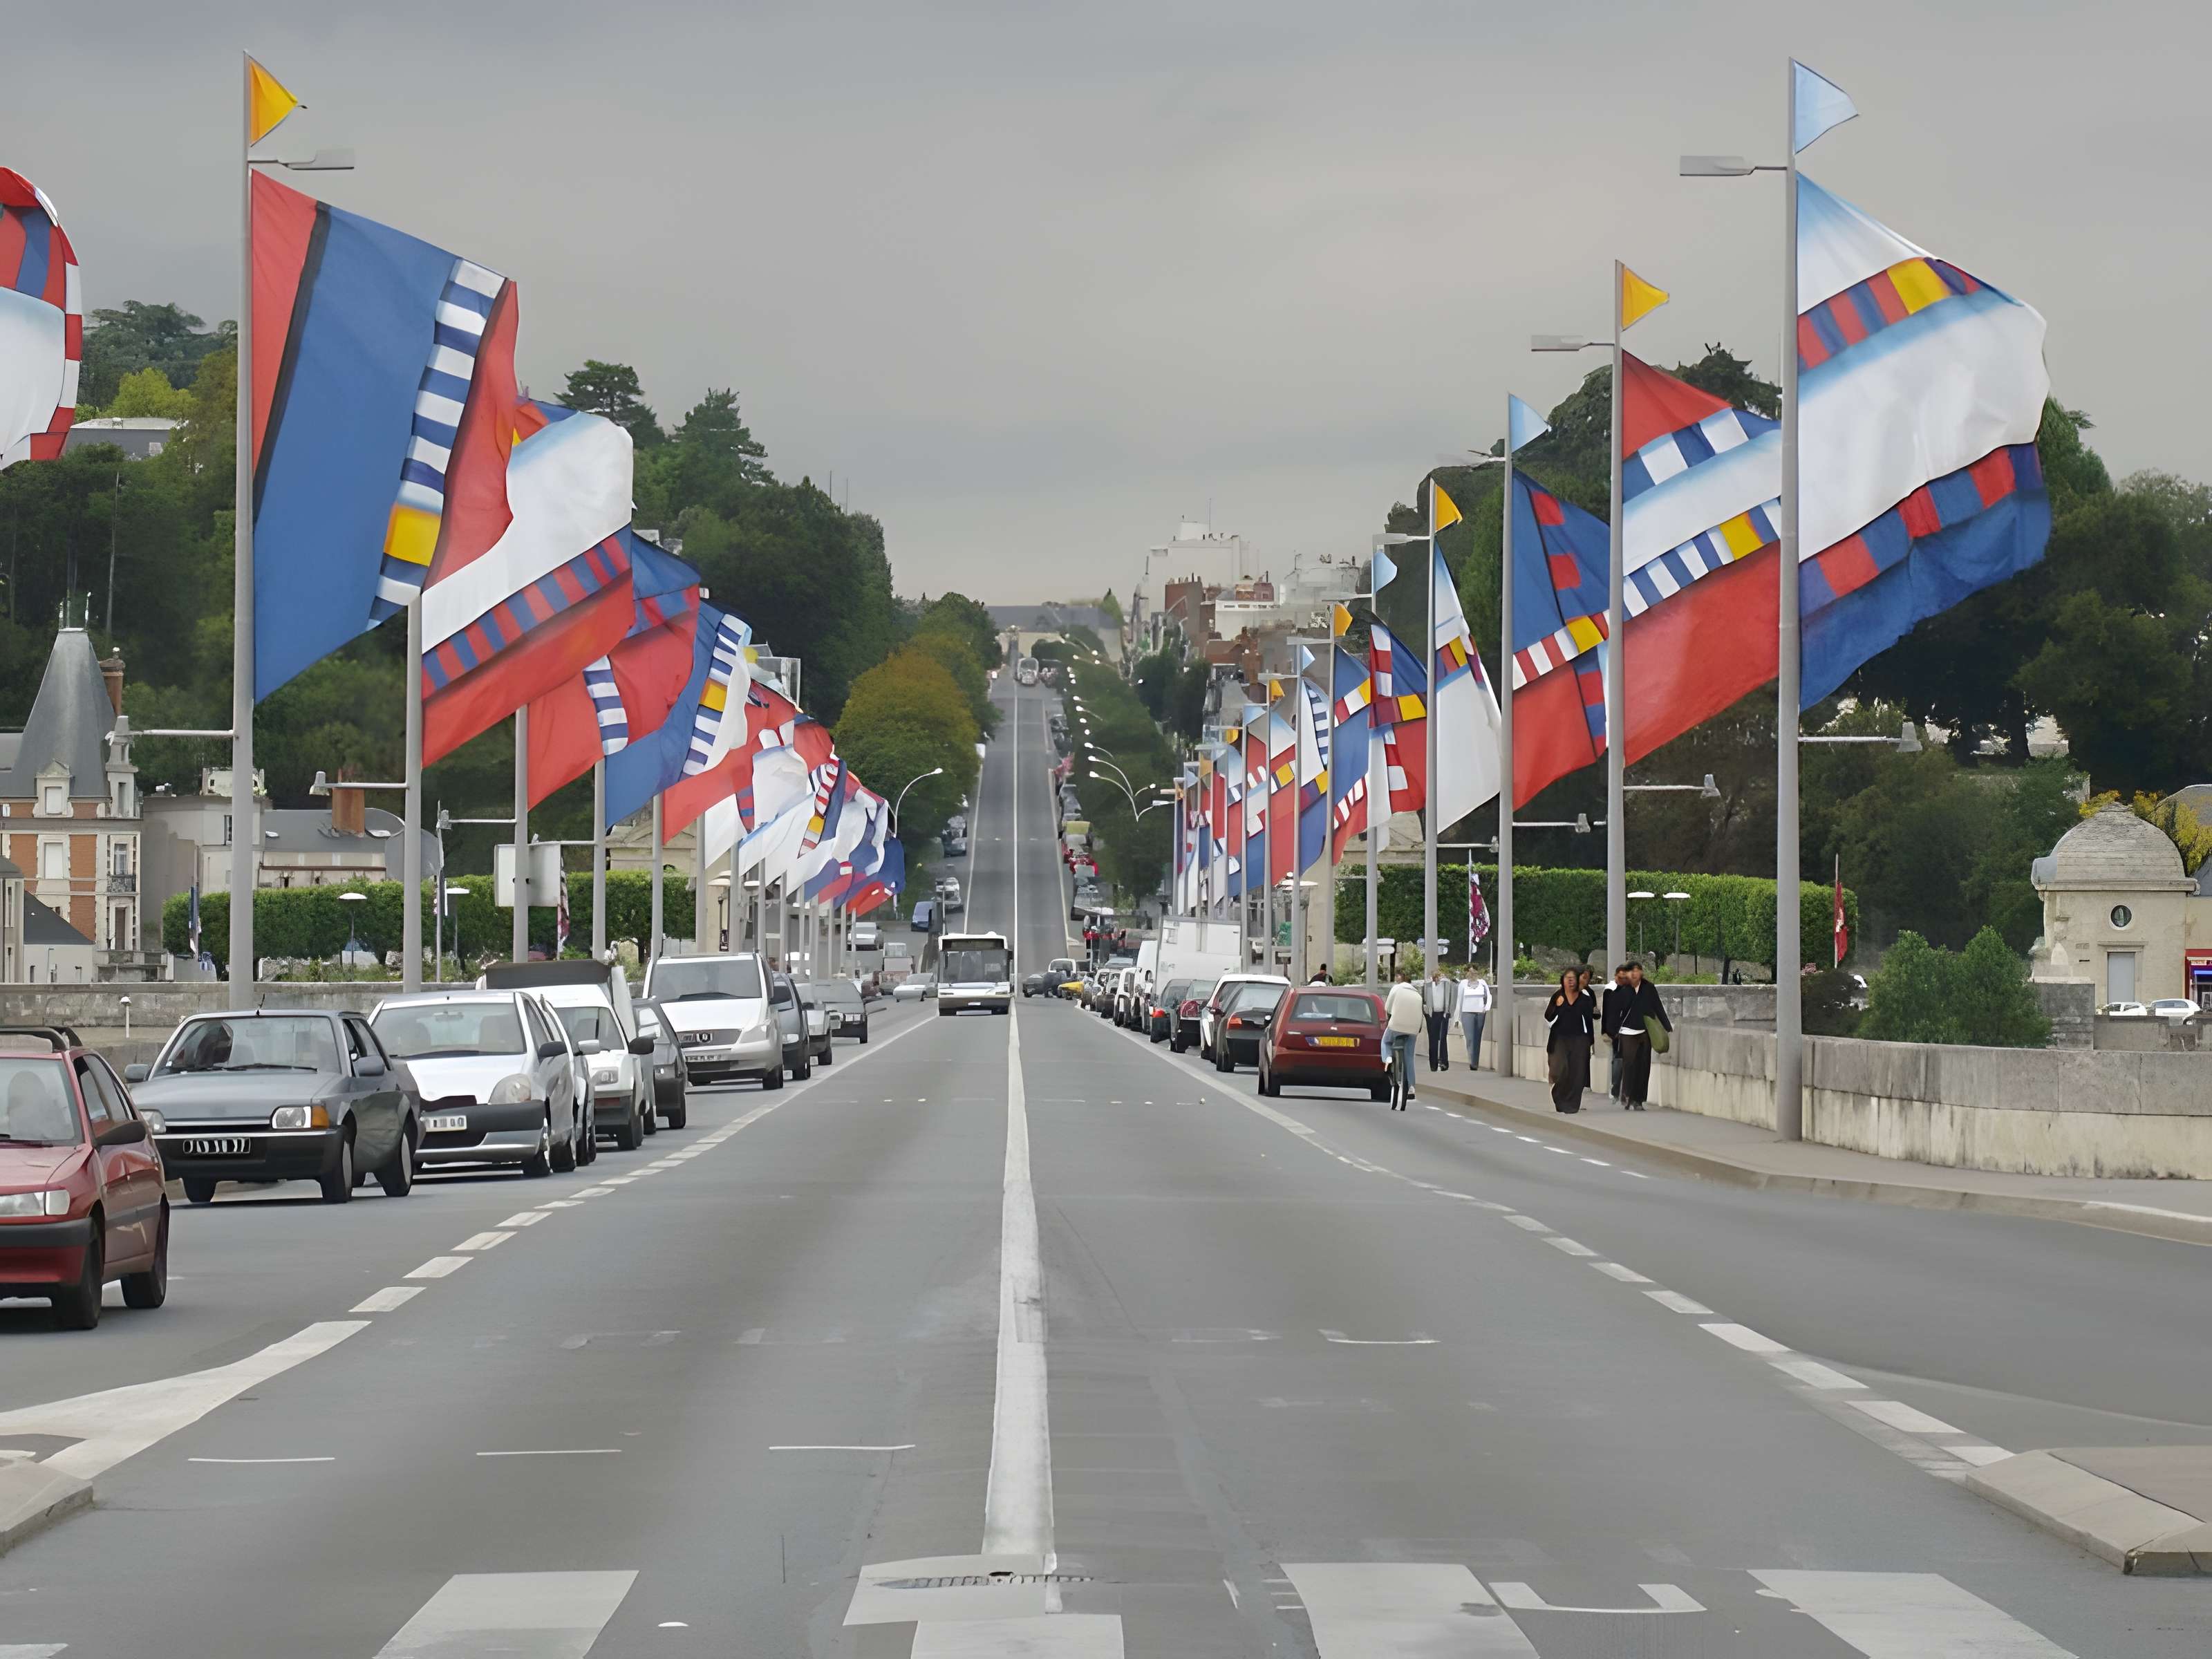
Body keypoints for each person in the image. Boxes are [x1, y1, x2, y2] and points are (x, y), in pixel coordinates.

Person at [1613, 961, 1672, 1110]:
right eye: (1631, 971)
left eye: (1637, 970)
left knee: (1644, 1066)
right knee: (1630, 1065)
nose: (1634, 973)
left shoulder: (1649, 988)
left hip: (1645, 1031)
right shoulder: (1623, 989)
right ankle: (1627, 1095)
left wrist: (1667, 1027)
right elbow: (1616, 1011)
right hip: (1628, 1032)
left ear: (1642, 973)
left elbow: (1657, 1007)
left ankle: (1638, 1100)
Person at [1543, 966, 1595, 1113]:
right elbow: (1548, 1018)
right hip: (1559, 1039)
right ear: (1563, 981)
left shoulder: (1585, 999)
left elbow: (1588, 1022)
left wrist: (1591, 1042)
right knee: (1560, 1070)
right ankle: (1559, 1096)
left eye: (1573, 978)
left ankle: (1572, 1105)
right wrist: (1557, 1007)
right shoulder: (1558, 996)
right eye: (1568, 978)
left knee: (1577, 1073)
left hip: (1580, 1039)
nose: (1571, 981)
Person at [1382, 969, 1425, 1107]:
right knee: (1409, 1056)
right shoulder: (1417, 994)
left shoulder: (1396, 989)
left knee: (1386, 1041)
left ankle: (1388, 1059)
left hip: (1396, 1026)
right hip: (1413, 1029)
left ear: (1400, 979)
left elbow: (1387, 1008)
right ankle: (1411, 1087)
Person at [1600, 965, 1633, 1100]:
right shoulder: (1610, 991)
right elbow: (1607, 1012)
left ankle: (1625, 1090)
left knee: (1628, 1061)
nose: (1622, 980)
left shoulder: (1632, 992)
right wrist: (1606, 1031)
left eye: (1625, 977)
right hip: (1616, 1032)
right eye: (1620, 977)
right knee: (1618, 1059)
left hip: (1629, 1030)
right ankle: (1615, 1087)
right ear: (1615, 977)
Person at [1424, 966, 1457, 1071]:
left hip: (1443, 1013)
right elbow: (1424, 998)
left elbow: (1454, 992)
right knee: (1433, 1040)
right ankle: (1433, 1064)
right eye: (1436, 978)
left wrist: (1450, 1013)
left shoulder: (1446, 985)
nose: (1438, 979)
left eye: (1439, 977)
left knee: (1443, 1038)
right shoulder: (1428, 985)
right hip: (1432, 1013)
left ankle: (1443, 1062)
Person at [1459, 968, 1492, 1071]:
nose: (1472, 975)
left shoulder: (1482, 983)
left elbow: (1489, 996)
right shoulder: (1463, 984)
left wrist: (1486, 1008)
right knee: (1470, 1039)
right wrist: (1457, 1017)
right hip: (1467, 1013)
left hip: (1480, 1013)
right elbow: (1459, 1001)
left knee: (1477, 1038)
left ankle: (1475, 1062)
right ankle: (1472, 1062)